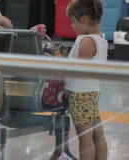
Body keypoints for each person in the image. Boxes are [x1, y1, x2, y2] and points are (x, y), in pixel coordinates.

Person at [65, 0, 108, 159]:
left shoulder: (86, 41)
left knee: (85, 137)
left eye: (73, 21)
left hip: (80, 94)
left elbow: (79, 70)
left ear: (83, 19)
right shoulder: (100, 39)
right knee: (97, 134)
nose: (72, 25)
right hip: (92, 91)